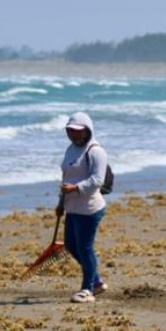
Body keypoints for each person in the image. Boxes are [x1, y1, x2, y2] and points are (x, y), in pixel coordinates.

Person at [58, 112, 108, 304]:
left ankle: (87, 290)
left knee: (85, 248)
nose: (73, 134)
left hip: (89, 208)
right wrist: (61, 203)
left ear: (87, 131)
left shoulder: (96, 152)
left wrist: (76, 188)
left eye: (77, 131)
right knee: (71, 246)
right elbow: (66, 178)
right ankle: (95, 280)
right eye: (70, 131)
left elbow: (97, 180)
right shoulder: (70, 149)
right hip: (72, 207)